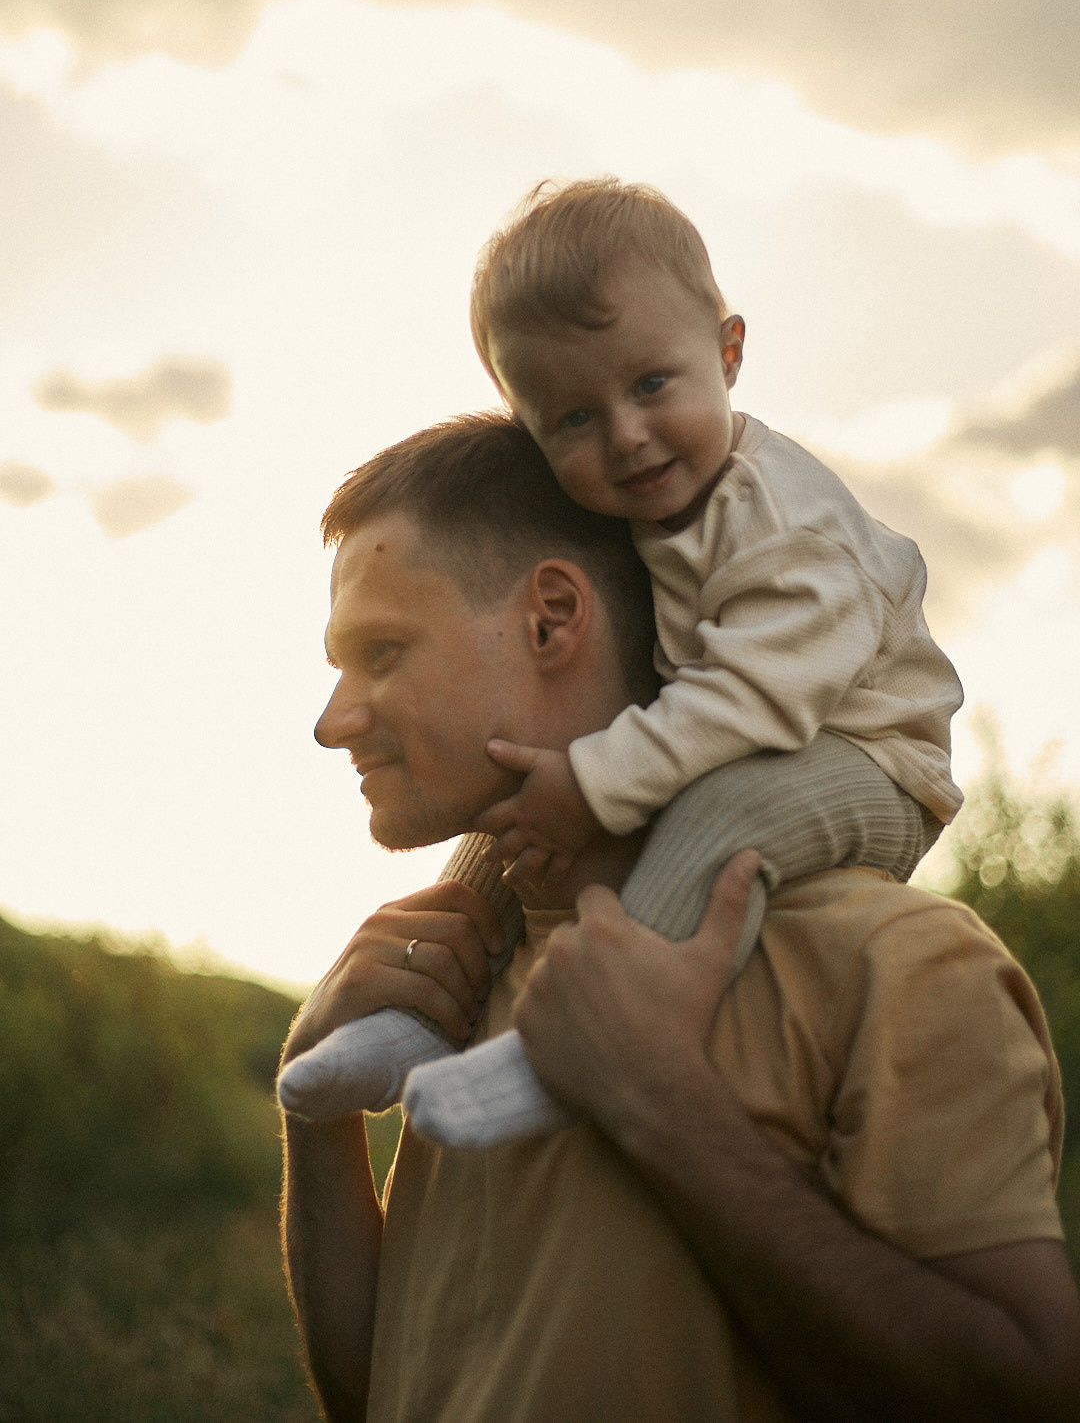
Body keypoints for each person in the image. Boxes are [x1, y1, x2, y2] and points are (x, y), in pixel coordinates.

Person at [279, 413, 1078, 1422]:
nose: (332, 720)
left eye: (380, 652)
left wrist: (661, 1100)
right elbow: (378, 1390)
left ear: (554, 617)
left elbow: (1028, 1394)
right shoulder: (463, 978)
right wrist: (320, 1115)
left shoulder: (896, 964)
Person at [280, 178, 963, 1149]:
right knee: (503, 832)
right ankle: (412, 1022)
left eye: (650, 385)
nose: (626, 435)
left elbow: (754, 701)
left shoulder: (789, 523)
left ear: (728, 352)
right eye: (571, 420)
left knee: (719, 813)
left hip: (860, 755)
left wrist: (596, 779)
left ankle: (567, 1053)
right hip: (738, 731)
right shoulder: (651, 512)